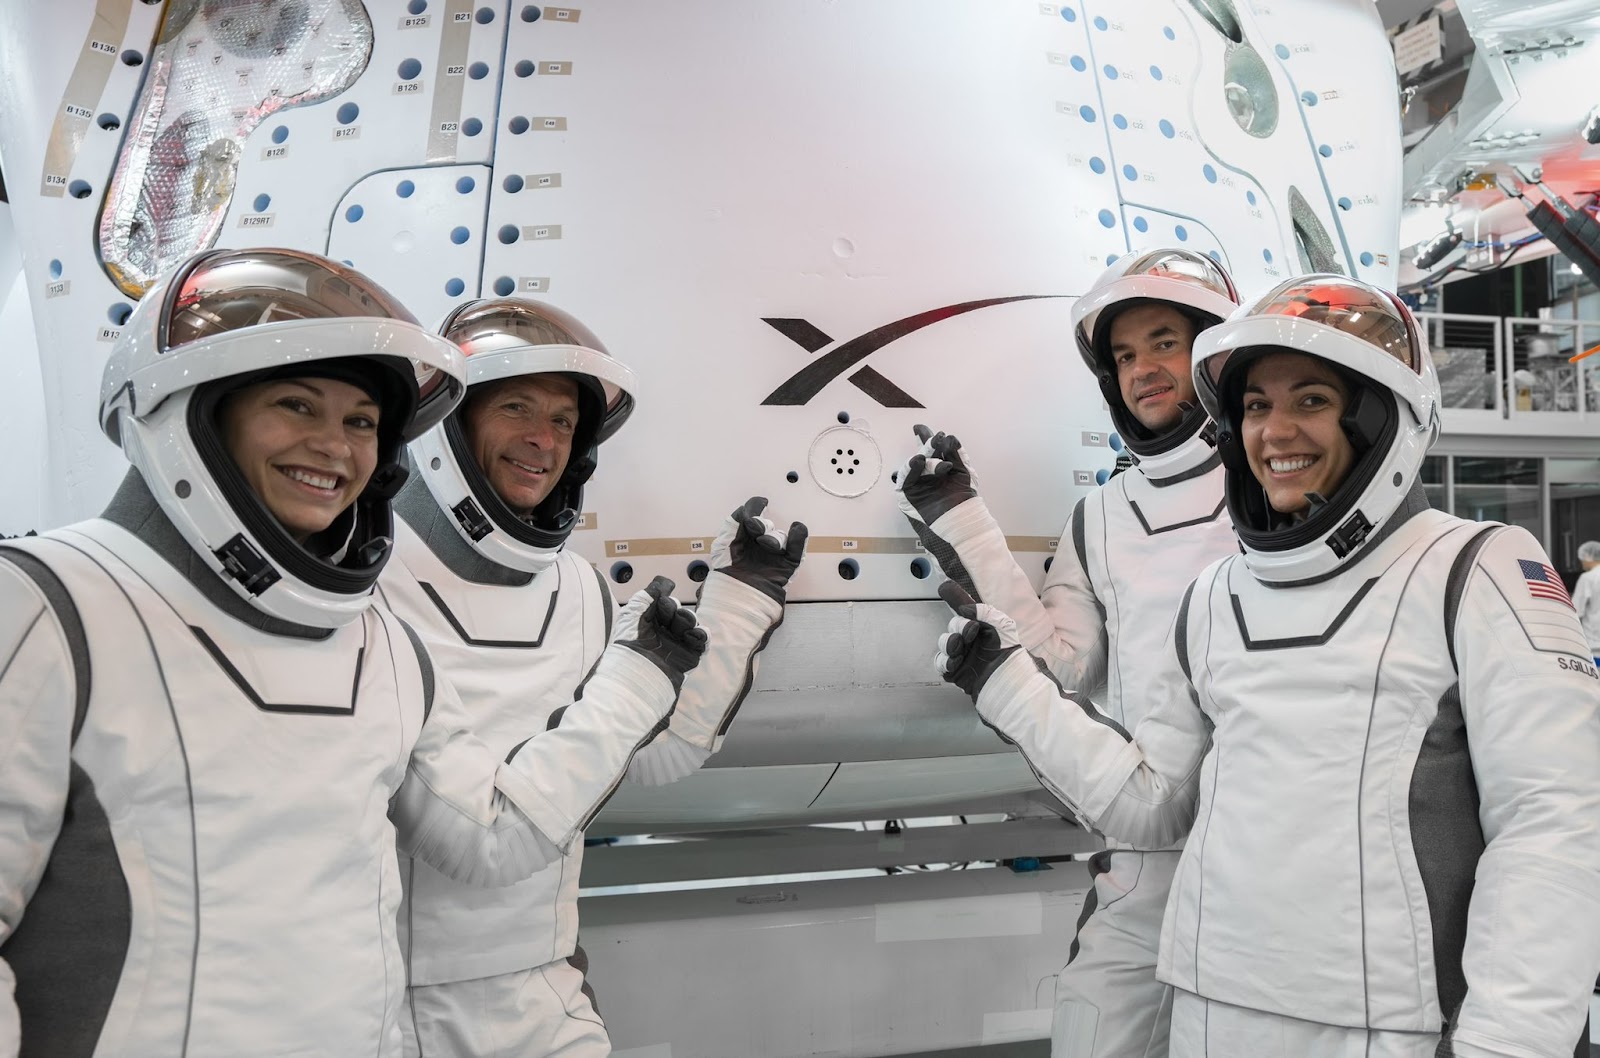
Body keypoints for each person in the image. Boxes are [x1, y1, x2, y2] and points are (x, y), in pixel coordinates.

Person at [0, 249, 709, 1058]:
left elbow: (491, 841)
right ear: (187, 410)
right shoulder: (45, 606)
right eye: (297, 405)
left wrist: (654, 665)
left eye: (362, 422)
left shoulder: (380, 646)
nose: (335, 446)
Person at [932, 275, 1600, 1058]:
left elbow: (1552, 830)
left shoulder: (1473, 568)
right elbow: (1155, 805)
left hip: (1389, 1027)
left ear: (1383, 415)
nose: (1275, 431)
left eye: (1310, 400)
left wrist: (1505, 1044)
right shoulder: (1215, 595)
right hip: (1212, 1009)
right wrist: (1007, 685)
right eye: (1255, 406)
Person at [381, 297, 807, 1058]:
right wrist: (638, 678)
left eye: (564, 424)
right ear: (451, 426)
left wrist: (739, 605)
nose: (543, 441)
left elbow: (649, 755)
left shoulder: (573, 586)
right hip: (396, 1008)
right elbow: (486, 846)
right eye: (516, 408)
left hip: (544, 988)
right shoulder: (367, 586)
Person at [893, 248, 1241, 1057]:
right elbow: (1063, 665)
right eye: (1124, 356)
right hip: (1143, 854)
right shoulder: (1102, 515)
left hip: (1261, 851)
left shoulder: (1270, 487)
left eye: (1165, 342)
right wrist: (964, 521)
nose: (1144, 370)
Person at [1571, 540, 1600, 665]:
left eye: (1582, 559)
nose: (1581, 562)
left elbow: (1575, 611)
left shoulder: (1587, 578)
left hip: (1594, 645)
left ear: (1588, 557)